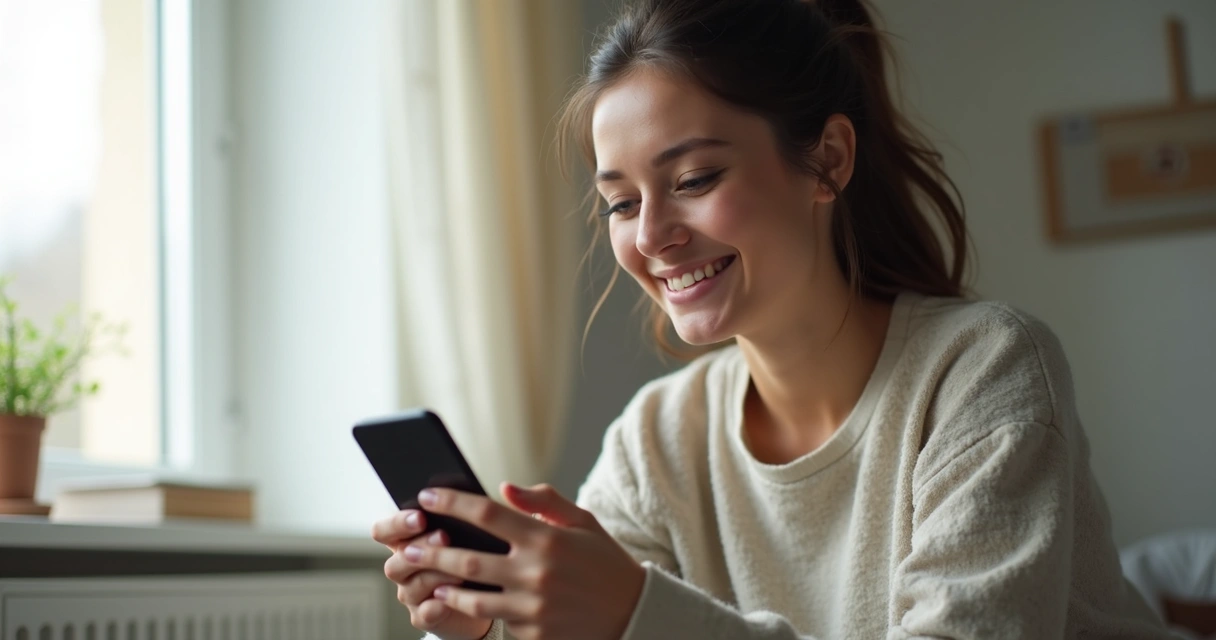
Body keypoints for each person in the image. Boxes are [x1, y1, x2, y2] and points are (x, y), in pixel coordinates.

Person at [373, 0, 1173, 638]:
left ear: (828, 160)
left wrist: (635, 614)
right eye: (621, 202)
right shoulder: (658, 438)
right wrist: (490, 621)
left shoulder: (984, 368)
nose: (649, 236)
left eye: (693, 178)